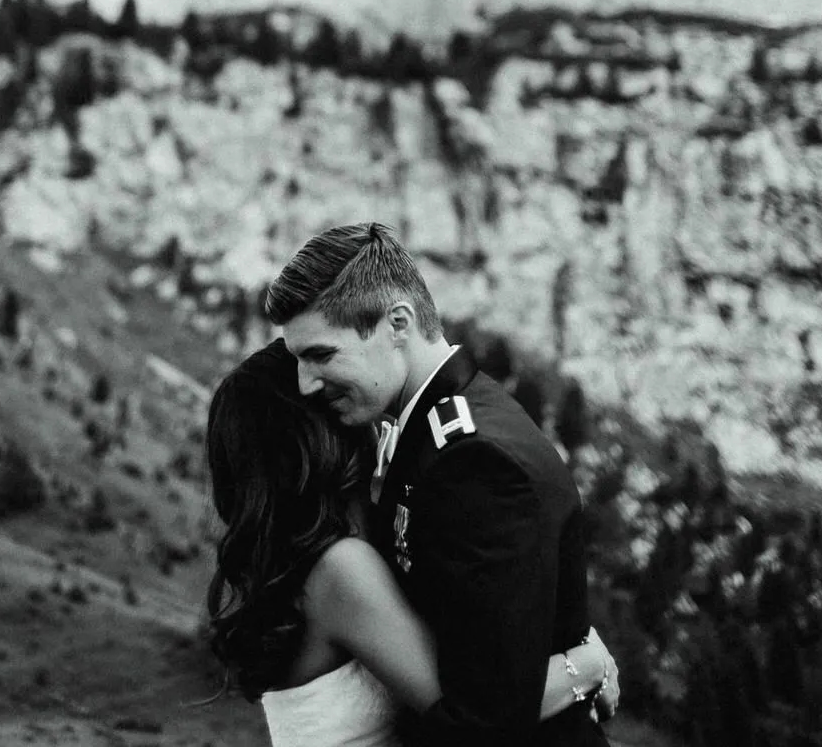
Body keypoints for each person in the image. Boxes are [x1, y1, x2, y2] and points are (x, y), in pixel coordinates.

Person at [264, 223, 616, 746]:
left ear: (397, 324)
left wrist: (580, 667)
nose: (306, 383)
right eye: (299, 360)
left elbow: (484, 720)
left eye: (321, 354)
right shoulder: (434, 431)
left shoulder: (475, 462)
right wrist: (583, 662)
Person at [206, 338, 618, 747]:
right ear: (316, 430)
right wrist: (584, 665)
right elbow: (480, 714)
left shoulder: (316, 558)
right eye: (334, 394)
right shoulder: (340, 569)